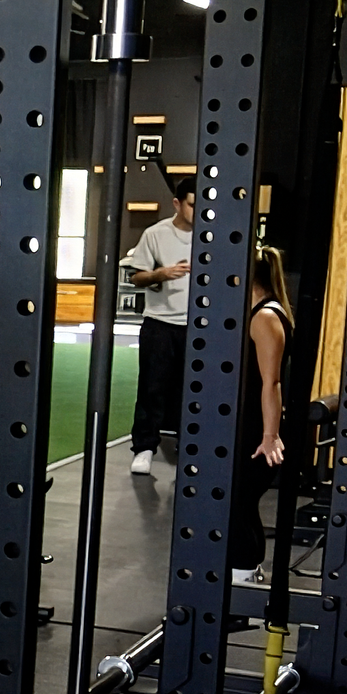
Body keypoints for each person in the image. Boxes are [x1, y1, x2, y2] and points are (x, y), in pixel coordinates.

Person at [123, 175, 196, 476]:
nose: (199, 211)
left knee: (193, 390)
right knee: (152, 388)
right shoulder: (155, 234)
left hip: (199, 326)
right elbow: (136, 276)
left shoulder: (215, 235)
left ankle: (190, 446)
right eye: (193, 205)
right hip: (160, 324)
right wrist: (160, 274)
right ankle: (144, 448)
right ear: (177, 204)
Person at [232, 242, 294, 575]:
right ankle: (245, 577)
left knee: (237, 504)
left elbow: (271, 382)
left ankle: (243, 580)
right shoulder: (260, 313)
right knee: (238, 504)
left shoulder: (266, 317)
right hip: (249, 422)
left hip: (257, 428)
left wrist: (270, 436)